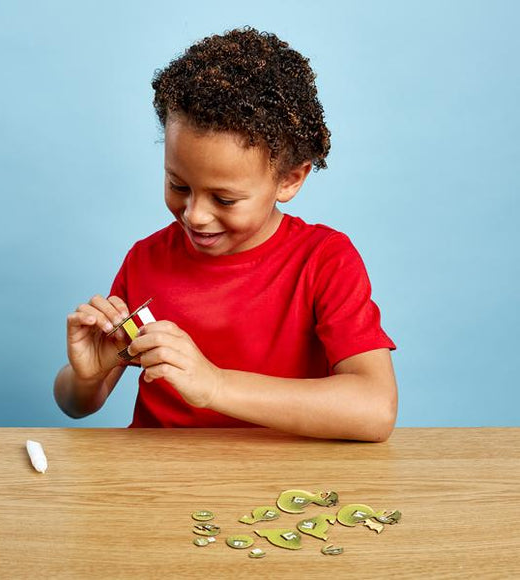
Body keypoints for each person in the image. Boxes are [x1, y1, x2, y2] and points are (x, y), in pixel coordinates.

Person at [54, 27, 398, 441]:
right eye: (178, 185)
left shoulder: (324, 260)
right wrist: (88, 373)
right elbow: (75, 405)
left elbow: (375, 409)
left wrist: (214, 386)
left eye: (225, 198)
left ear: (290, 180)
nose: (195, 215)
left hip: (285, 486)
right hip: (159, 484)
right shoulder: (146, 259)